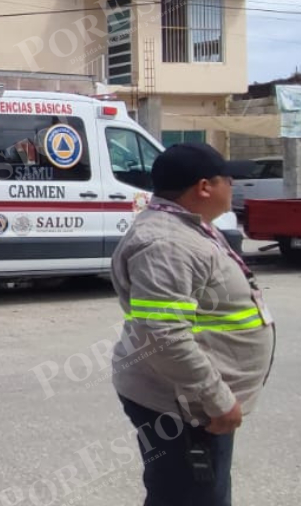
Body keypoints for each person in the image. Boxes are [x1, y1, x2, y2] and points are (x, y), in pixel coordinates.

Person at [110, 143, 275, 506]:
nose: (233, 187)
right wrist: (216, 399)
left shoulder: (187, 226)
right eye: (228, 180)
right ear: (204, 187)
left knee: (196, 493)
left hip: (193, 401)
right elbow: (165, 335)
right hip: (185, 404)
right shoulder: (166, 243)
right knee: (188, 497)